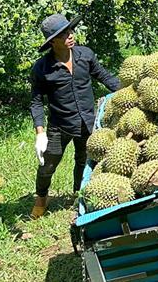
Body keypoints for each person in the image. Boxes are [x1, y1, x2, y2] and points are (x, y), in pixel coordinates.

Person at [29, 13, 120, 218]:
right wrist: (40, 132)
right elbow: (36, 101)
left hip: (87, 121)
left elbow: (104, 76)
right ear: (52, 41)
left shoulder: (85, 55)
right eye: (64, 34)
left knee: (84, 161)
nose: (70, 35)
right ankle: (41, 197)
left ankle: (79, 194)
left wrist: (127, 90)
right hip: (59, 126)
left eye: (70, 30)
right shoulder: (42, 69)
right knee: (47, 164)